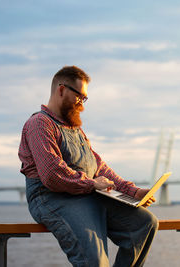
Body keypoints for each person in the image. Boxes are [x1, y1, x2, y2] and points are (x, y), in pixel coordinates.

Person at [18, 65, 159, 267]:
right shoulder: (39, 124)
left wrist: (132, 192)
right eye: (80, 96)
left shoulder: (76, 130)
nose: (82, 103)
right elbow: (52, 174)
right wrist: (92, 184)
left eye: (84, 99)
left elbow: (99, 167)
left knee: (144, 224)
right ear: (61, 89)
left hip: (86, 195)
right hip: (50, 197)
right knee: (94, 261)